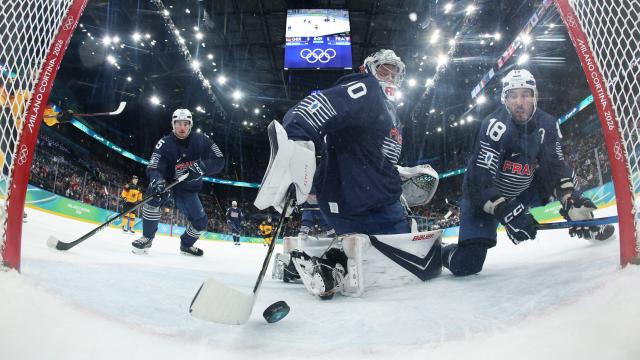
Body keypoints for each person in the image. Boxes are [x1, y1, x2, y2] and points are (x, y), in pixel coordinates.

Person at [255, 49, 442, 299]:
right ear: (367, 69)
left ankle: (318, 265)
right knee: (413, 263)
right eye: (383, 69)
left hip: (368, 200)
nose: (389, 76)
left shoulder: (390, 110)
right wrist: (298, 142)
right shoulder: (367, 89)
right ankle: (332, 262)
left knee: (397, 258)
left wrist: (396, 171)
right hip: (365, 202)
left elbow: (368, 153)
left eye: (394, 72)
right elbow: (315, 107)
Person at [442, 69, 615, 277]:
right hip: (484, 198)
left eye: (525, 94)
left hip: (524, 190)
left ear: (535, 96)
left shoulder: (548, 124)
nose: (519, 102)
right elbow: (480, 182)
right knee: (466, 265)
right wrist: (507, 212)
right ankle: (440, 250)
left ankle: (585, 222)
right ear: (504, 100)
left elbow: (555, 166)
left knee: (568, 184)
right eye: (513, 95)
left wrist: (569, 198)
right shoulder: (493, 126)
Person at [131, 108, 225, 255]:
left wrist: (202, 167)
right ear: (172, 124)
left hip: (188, 188)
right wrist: (157, 180)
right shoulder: (164, 143)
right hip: (167, 183)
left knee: (200, 223)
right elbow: (154, 166)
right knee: (152, 194)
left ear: (191, 125)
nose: (182, 127)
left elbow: (219, 160)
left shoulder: (202, 139)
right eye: (178, 123)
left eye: (186, 123)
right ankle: (147, 237)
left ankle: (186, 245)